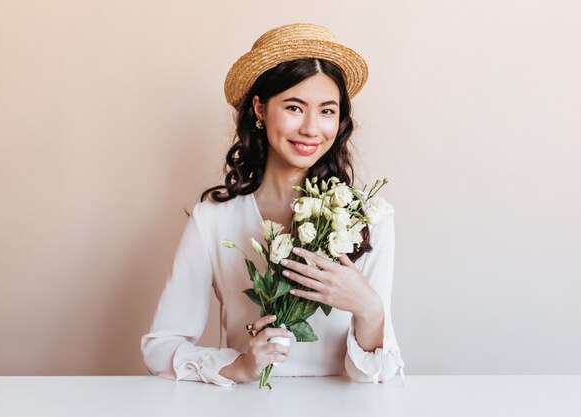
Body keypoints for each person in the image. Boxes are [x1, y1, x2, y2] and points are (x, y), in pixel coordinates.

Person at [141, 23, 404, 386]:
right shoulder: (213, 220)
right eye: (294, 107)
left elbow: (373, 375)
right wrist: (240, 366)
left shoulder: (369, 218)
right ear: (260, 109)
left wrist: (368, 307)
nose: (312, 128)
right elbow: (160, 348)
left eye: (327, 111)